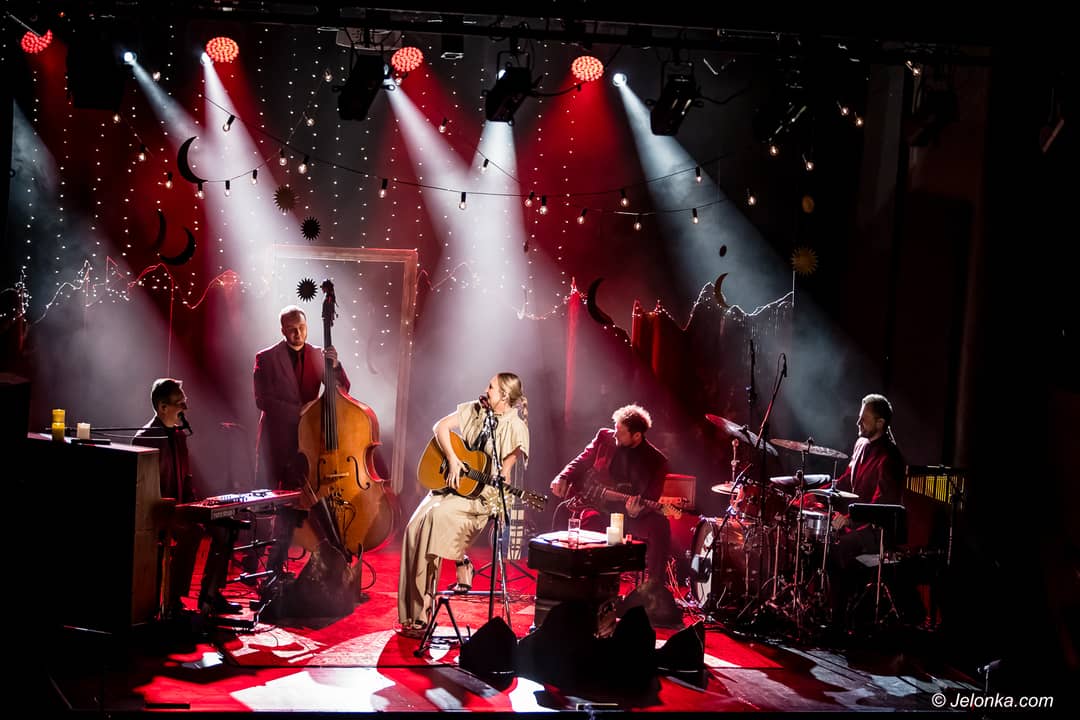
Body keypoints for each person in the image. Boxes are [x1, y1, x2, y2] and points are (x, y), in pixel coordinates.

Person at [397, 373, 530, 638]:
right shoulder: (476, 409)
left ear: (504, 395)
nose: (486, 390)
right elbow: (440, 427)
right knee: (413, 528)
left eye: (491, 387)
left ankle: (422, 615)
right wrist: (453, 459)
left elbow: (508, 465)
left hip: (482, 497)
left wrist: (503, 471)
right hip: (455, 486)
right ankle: (410, 614)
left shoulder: (516, 427)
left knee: (434, 520)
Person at [133, 378, 238, 616]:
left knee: (226, 527)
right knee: (193, 532)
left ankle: (211, 594)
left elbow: (186, 477)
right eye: (180, 403)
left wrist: (200, 505)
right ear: (163, 407)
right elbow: (143, 490)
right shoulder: (145, 438)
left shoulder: (179, 436)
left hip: (180, 509)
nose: (186, 408)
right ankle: (173, 599)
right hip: (158, 513)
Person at [550, 404, 673, 589]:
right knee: (587, 520)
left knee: (660, 525)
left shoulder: (657, 462)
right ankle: (584, 584)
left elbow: (651, 498)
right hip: (597, 507)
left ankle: (655, 588)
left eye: (621, 433)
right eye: (615, 429)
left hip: (629, 516)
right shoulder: (604, 437)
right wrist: (563, 476)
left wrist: (635, 512)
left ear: (637, 436)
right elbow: (582, 460)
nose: (615, 434)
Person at [824, 393, 905, 629]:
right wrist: (817, 493)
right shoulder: (860, 445)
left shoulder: (890, 457)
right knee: (820, 541)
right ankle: (825, 610)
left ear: (880, 423)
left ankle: (838, 622)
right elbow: (845, 481)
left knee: (839, 548)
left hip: (878, 532)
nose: (858, 422)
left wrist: (850, 519)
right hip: (859, 525)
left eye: (864, 419)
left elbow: (883, 504)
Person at [253, 304, 349, 490]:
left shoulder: (318, 354)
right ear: (283, 330)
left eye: (302, 327)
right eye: (292, 329)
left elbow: (341, 391)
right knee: (275, 494)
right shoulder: (265, 358)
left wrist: (335, 366)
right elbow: (262, 400)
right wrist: (299, 412)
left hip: (310, 438)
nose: (298, 333)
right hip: (278, 440)